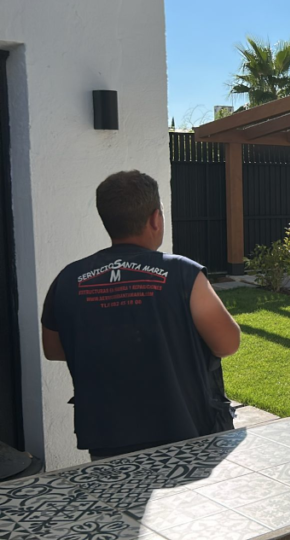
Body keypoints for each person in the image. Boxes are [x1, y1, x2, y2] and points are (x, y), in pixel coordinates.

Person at [41, 170, 240, 461]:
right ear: (155, 219)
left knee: (121, 506)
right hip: (186, 436)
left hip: (107, 440)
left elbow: (54, 349)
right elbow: (227, 343)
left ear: (107, 221)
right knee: (188, 506)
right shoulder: (185, 273)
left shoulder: (68, 279)